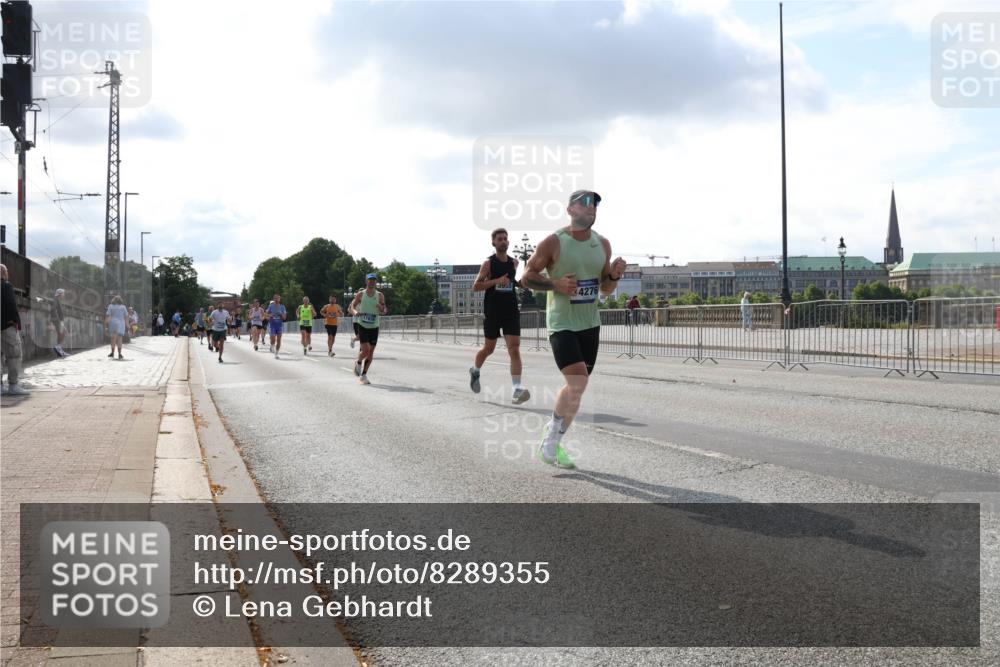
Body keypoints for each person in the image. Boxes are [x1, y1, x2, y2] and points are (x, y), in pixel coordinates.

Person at [522, 190, 626, 469]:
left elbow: (605, 288)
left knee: (577, 388)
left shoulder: (602, 244)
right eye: (585, 203)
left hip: (590, 324)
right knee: (577, 380)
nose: (591, 208)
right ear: (570, 209)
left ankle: (553, 440)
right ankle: (551, 442)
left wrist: (614, 275)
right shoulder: (554, 242)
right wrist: (554, 284)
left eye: (595, 205)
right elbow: (526, 277)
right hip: (562, 323)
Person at [469, 227, 530, 405]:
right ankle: (475, 370)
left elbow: (511, 282)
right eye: (499, 239)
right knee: (489, 349)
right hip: (493, 311)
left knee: (514, 348)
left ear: (508, 242)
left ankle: (517, 389)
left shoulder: (514, 263)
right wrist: (496, 281)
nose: (503, 241)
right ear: (493, 243)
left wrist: (521, 284)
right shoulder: (488, 263)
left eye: (505, 238)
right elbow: (476, 286)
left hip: (510, 311)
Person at [348, 273, 387, 385]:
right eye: (370, 280)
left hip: (374, 326)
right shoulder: (361, 294)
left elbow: (384, 311)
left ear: (376, 282)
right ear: (366, 281)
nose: (372, 282)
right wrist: (355, 312)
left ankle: (364, 375)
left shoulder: (380, 295)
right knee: (365, 350)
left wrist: (381, 308)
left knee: (371, 353)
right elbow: (352, 307)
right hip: (363, 325)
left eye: (374, 280)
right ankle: (358, 361)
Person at [1, 263, 29, 395]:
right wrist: (15, 321)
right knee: (14, 355)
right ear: (4, 273)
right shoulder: (6, 286)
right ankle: (13, 385)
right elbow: (11, 304)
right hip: (6, 326)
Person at [106, 295, 129, 360]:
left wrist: (107, 324)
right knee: (119, 339)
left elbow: (108, 315)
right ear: (120, 300)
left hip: (113, 323)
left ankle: (112, 353)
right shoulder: (123, 307)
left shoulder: (110, 306)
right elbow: (126, 316)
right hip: (121, 324)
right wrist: (127, 325)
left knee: (113, 338)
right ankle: (119, 354)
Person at [267, 294, 287, 359]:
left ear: (279, 299)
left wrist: (281, 314)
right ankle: (272, 345)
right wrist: (270, 315)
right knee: (273, 339)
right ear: (273, 299)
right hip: (272, 325)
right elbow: (266, 314)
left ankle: (276, 353)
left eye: (277, 298)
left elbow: (284, 318)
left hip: (279, 326)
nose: (276, 300)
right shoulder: (271, 306)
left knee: (279, 340)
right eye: (275, 298)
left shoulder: (282, 307)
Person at [51, 288, 68, 357]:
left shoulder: (57, 300)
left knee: (61, 333)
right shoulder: (55, 299)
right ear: (60, 294)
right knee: (63, 332)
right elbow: (54, 310)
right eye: (63, 294)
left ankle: (59, 349)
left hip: (58, 320)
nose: (64, 295)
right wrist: (58, 320)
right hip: (57, 320)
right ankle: (58, 347)